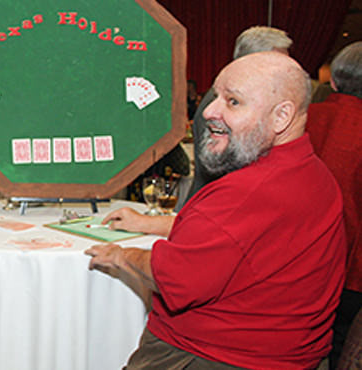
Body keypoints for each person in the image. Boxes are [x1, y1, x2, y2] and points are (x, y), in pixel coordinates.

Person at [85, 52, 346, 369]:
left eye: (233, 101)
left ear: (282, 117)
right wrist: (152, 225)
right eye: (215, 95)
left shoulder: (247, 192)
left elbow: (175, 277)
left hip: (208, 356)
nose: (209, 110)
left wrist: (121, 256)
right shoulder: (315, 174)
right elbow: (240, 240)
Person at [180, 26, 292, 208]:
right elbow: (226, 170)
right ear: (251, 61)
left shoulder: (250, 101)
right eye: (279, 64)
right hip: (216, 208)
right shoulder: (221, 103)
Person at [305, 41, 362, 369]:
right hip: (350, 270)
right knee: (341, 347)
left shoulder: (301, 118)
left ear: (334, 80)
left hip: (291, 258)